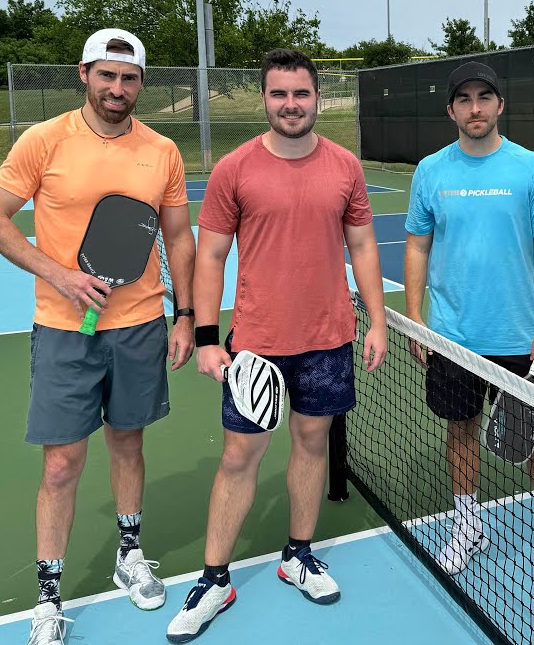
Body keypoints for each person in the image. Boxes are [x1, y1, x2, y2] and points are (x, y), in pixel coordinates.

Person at [0, 28, 197, 645]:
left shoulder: (163, 151)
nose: (117, 88)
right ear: (84, 74)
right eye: (107, 75)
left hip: (141, 326)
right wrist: (61, 275)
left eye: (129, 78)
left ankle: (130, 553)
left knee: (128, 443)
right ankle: (48, 594)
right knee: (63, 463)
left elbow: (178, 238)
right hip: (64, 330)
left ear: (141, 84)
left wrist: (187, 315)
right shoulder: (44, 140)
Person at [167, 49, 388, 643]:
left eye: (302, 93)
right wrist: (209, 338)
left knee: (312, 445)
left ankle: (298, 554)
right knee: (240, 457)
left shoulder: (345, 167)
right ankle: (215, 579)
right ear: (264, 99)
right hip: (257, 346)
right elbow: (210, 256)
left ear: (319, 98)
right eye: (279, 94)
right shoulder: (234, 170)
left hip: (328, 340)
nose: (291, 104)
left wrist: (379, 322)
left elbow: (363, 248)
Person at [403, 61, 534, 594]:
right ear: (451, 110)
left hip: (519, 339)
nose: (475, 108)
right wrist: (416, 321)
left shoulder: (531, 170)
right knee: (459, 431)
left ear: (500, 105)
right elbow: (417, 245)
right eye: (465, 99)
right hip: (451, 337)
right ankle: (468, 525)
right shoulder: (431, 171)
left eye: (485, 97)